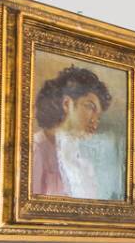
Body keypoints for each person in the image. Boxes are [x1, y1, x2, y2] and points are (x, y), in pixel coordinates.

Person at [31, 63, 125, 200]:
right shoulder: (34, 150)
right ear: (67, 104)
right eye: (90, 107)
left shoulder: (84, 165)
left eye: (98, 116)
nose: (95, 120)